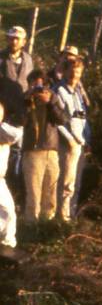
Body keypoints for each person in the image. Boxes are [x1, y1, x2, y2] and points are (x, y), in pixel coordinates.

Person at [21, 69, 63, 224]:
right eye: (34, 83)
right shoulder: (25, 99)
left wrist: (50, 103)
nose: (38, 87)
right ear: (29, 84)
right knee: (33, 193)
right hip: (32, 151)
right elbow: (20, 121)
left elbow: (63, 119)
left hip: (51, 150)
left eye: (41, 83)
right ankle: (31, 227)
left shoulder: (52, 97)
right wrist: (27, 101)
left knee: (50, 193)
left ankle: (47, 226)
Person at [53, 54, 89, 224]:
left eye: (78, 73)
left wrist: (86, 139)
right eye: (72, 72)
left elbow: (81, 118)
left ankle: (70, 215)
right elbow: (56, 119)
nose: (75, 76)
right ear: (65, 71)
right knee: (66, 182)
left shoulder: (78, 93)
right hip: (67, 144)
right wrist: (69, 139)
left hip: (80, 144)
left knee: (75, 181)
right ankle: (62, 217)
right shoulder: (59, 90)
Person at [0, 25, 36, 188]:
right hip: (3, 108)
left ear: (24, 41)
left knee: (18, 148)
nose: (13, 41)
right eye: (11, 37)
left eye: (17, 38)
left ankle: (13, 183)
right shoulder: (1, 58)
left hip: (22, 109)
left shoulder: (28, 59)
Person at [0, 99, 24, 256]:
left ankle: (7, 244)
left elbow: (15, 135)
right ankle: (8, 243)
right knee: (8, 210)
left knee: (7, 211)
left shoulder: (2, 130)